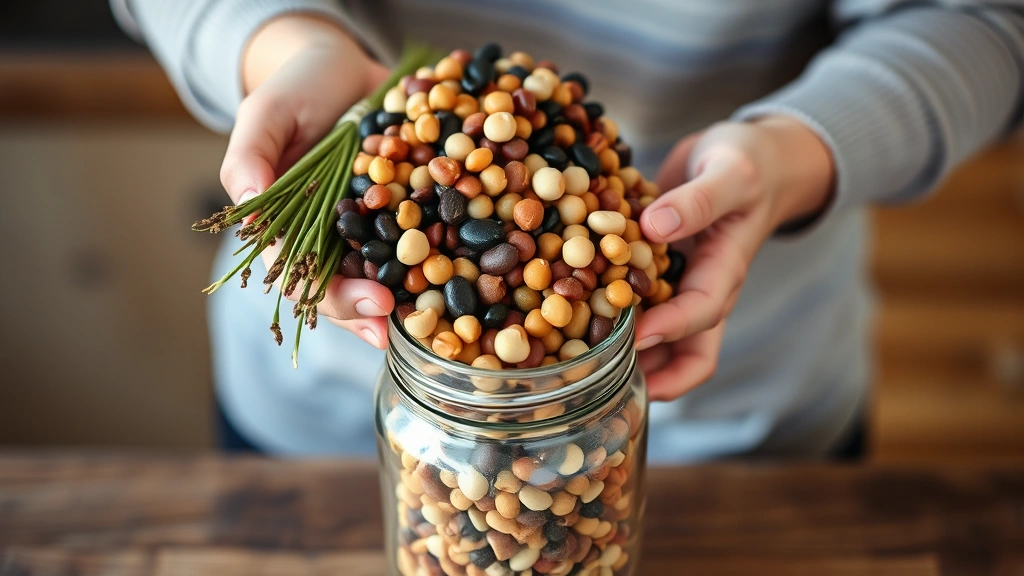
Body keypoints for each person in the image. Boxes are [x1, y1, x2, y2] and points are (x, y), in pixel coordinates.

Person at [112, 0, 1024, 460]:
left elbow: (985, 17)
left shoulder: (581, 248)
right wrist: (277, 41)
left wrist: (797, 155)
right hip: (325, 405)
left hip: (736, 405)